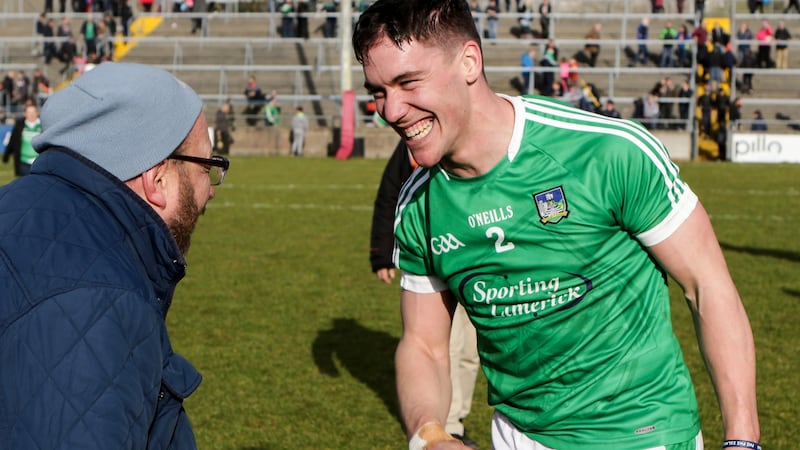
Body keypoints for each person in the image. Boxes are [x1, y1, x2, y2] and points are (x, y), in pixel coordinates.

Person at [352, 1, 760, 449]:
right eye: (378, 91)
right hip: (519, 437)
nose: (391, 111)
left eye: (408, 82)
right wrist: (430, 433)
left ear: (469, 61)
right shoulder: (418, 204)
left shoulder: (607, 152)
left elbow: (707, 286)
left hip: (643, 434)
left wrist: (743, 439)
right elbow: (424, 346)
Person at [0, 62, 229, 449]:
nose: (211, 191)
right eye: (207, 166)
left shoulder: (15, 206)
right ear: (158, 179)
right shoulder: (99, 302)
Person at [369, 141, 480, 449]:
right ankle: (446, 428)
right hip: (439, 263)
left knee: (470, 351)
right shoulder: (415, 142)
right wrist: (381, 254)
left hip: (483, 268)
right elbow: (390, 195)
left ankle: (456, 416)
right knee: (449, 345)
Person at [1, 102, 42, 176]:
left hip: (39, 162)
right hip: (23, 162)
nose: (31, 114)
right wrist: (6, 155)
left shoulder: (43, 126)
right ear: (25, 113)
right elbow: (13, 141)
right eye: (29, 112)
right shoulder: (20, 125)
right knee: (25, 186)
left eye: (33, 112)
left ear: (37, 113)